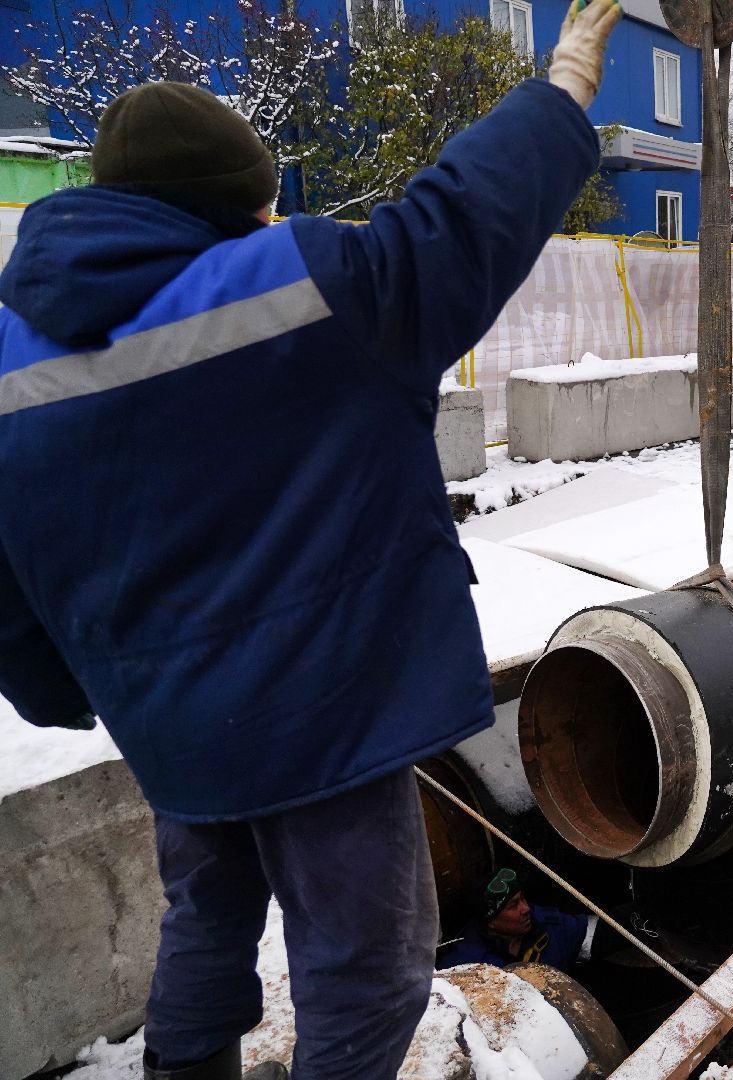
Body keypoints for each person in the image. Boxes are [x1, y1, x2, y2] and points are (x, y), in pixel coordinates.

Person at [0, 2, 623, 1078]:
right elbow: (459, 221)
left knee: (206, 920)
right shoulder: (299, 286)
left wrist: (69, 692)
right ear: (232, 204)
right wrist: (562, 85)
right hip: (319, 716)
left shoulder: (12, 352)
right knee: (367, 973)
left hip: (171, 730)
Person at [437, 869, 598, 972]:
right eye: (514, 905)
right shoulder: (465, 967)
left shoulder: (544, 923)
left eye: (522, 898)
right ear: (492, 922)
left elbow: (587, 934)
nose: (526, 908)